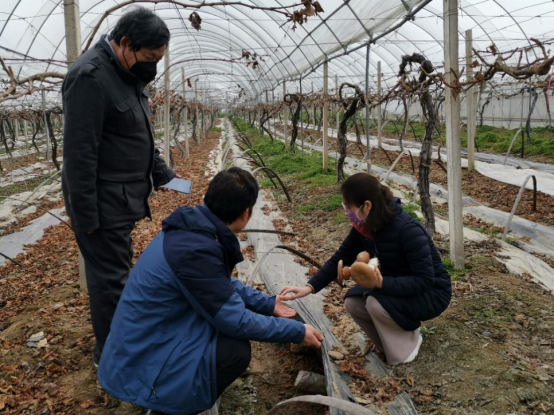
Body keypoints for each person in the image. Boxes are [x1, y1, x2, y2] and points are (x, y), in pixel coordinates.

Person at [98, 167, 324, 415]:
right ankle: (171, 406)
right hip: (140, 361)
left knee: (221, 337)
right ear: (246, 213)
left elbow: (219, 284)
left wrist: (268, 304)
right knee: (234, 352)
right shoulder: (196, 249)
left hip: (143, 342)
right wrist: (295, 331)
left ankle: (174, 394)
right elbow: (235, 321)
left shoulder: (192, 230)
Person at [61, 7, 176, 367]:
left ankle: (121, 349)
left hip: (121, 201)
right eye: (150, 57)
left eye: (159, 58)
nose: (153, 66)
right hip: (102, 206)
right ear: (125, 43)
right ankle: (113, 360)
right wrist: (87, 219)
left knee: (118, 277)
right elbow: (79, 158)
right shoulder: (90, 79)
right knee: (111, 283)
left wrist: (163, 174)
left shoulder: (126, 75)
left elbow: (136, 135)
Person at [280, 173, 452, 366]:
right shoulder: (364, 227)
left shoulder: (407, 230)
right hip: (399, 285)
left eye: (348, 207)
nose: (346, 212)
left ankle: (408, 343)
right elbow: (340, 257)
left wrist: (381, 283)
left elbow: (426, 280)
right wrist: (310, 287)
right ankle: (392, 340)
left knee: (374, 303)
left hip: (432, 293)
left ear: (367, 206)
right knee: (353, 302)